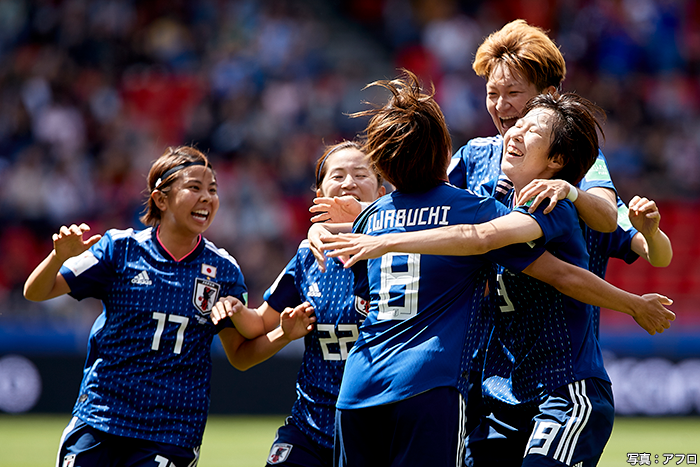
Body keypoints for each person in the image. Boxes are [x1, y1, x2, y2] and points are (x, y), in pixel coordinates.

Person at [323, 71, 673, 467]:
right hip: (498, 393)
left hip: (563, 385)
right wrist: (355, 220)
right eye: (499, 102)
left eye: (528, 122)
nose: (512, 130)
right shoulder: (488, 198)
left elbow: (505, 246)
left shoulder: (551, 205)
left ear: (557, 160)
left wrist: (383, 235)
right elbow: (437, 214)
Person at [22, 146, 290, 467]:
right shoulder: (119, 249)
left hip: (172, 430)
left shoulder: (223, 271)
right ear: (161, 199)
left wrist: (283, 335)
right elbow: (35, 292)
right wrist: (58, 257)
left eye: (213, 189)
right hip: (102, 416)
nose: (207, 197)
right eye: (195, 187)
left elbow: (240, 356)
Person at [210, 140, 386, 467]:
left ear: (381, 191)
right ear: (320, 194)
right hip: (311, 427)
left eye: (361, 174)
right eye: (338, 175)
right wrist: (231, 310)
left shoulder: (399, 254)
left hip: (376, 430)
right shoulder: (308, 255)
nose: (349, 182)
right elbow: (259, 323)